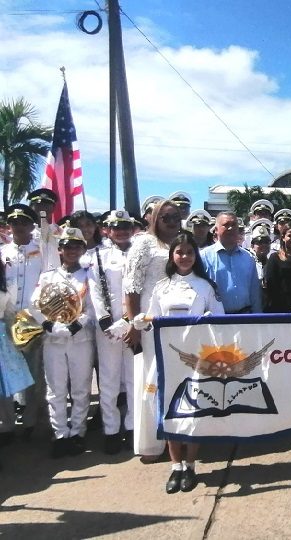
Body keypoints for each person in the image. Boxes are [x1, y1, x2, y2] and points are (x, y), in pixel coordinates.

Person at [135, 233, 224, 493]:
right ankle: (176, 467)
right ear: (172, 256)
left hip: (195, 359)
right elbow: (151, 317)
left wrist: (207, 320)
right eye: (179, 252)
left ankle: (191, 465)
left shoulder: (205, 287)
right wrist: (141, 321)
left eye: (189, 252)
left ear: (195, 256)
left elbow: (220, 319)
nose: (184, 257)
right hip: (167, 357)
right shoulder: (161, 287)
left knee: (193, 412)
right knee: (170, 411)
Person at [124, 199, 182, 461]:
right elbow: (131, 287)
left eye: (175, 217)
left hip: (175, 322)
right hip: (149, 322)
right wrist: (134, 323)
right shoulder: (143, 243)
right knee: (151, 380)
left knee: (175, 379)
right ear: (154, 219)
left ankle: (177, 439)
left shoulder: (180, 243)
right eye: (165, 217)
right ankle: (151, 444)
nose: (171, 222)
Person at [30, 227, 96, 459]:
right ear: (60, 249)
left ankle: (78, 432)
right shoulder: (48, 276)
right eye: (67, 246)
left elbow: (92, 306)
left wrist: (79, 324)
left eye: (76, 246)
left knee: (80, 388)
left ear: (82, 249)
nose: (71, 250)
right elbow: (35, 304)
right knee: (55, 390)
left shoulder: (89, 276)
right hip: (53, 340)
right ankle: (60, 435)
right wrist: (49, 325)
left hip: (80, 339)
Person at [88, 210, 136, 454]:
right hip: (107, 328)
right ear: (107, 229)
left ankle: (132, 427)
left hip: (133, 326)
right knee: (108, 381)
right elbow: (95, 289)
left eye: (126, 226)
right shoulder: (97, 254)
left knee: (133, 379)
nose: (121, 231)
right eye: (116, 227)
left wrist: (130, 321)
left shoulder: (139, 252)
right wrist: (105, 320)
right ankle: (111, 430)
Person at [0, 205, 48, 442]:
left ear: (32, 225)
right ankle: (7, 423)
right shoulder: (2, 251)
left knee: (32, 372)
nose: (18, 227)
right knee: (5, 374)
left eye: (23, 222)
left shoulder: (42, 251)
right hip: (6, 319)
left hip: (32, 319)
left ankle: (31, 420)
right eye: (13, 222)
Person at [201, 211, 262, 314]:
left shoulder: (248, 258)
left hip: (245, 318)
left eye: (234, 225)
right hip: (217, 320)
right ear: (216, 230)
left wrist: (258, 319)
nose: (230, 228)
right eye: (226, 225)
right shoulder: (204, 256)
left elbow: (254, 293)